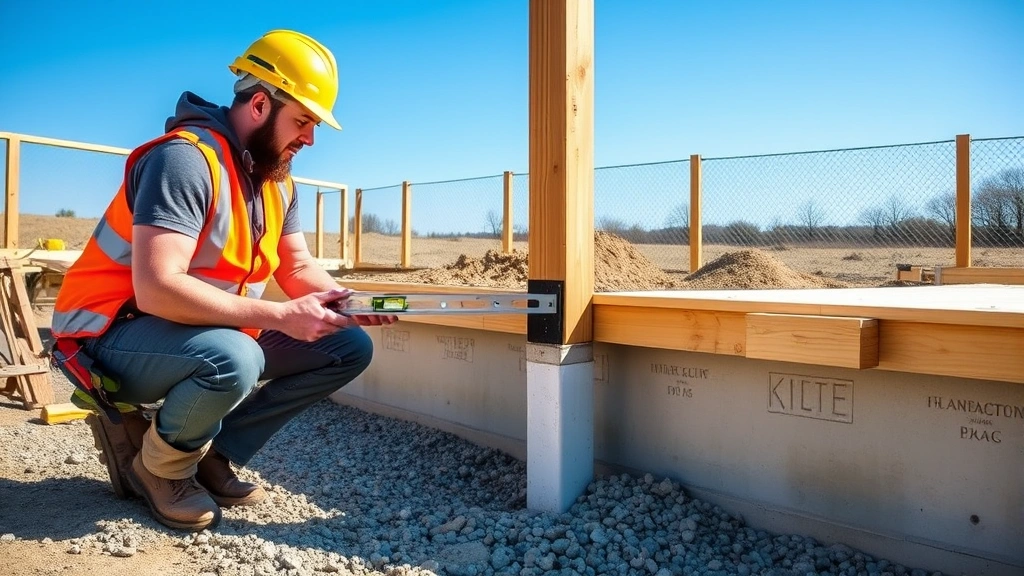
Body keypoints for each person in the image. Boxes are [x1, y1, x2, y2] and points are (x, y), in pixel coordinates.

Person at [50, 29, 395, 532]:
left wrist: (351, 304)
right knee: (236, 357)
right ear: (259, 103)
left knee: (347, 345)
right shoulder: (185, 161)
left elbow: (296, 267)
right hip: (109, 334)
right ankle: (160, 469)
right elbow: (158, 287)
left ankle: (212, 456)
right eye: (302, 121)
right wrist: (279, 316)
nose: (310, 138)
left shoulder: (276, 179)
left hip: (187, 330)